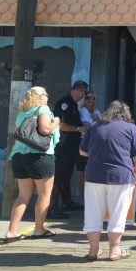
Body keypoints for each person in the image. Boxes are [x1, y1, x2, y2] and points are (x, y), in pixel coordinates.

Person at [79, 100, 136, 261]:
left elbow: (83, 152)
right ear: (126, 114)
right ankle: (114, 251)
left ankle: (93, 251)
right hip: (121, 176)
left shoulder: (94, 126)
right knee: (118, 214)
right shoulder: (131, 128)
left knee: (93, 214)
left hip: (94, 175)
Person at [4, 87, 60, 242]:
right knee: (44, 194)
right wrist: (56, 121)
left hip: (19, 156)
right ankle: (39, 229)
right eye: (45, 94)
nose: (47, 96)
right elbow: (45, 129)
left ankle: (12, 231)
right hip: (40, 157)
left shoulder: (23, 113)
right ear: (40, 97)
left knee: (23, 195)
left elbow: (18, 135)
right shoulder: (44, 109)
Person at [49, 80, 88, 219]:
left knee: (67, 173)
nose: (84, 95)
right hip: (64, 145)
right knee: (59, 175)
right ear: (79, 90)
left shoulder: (73, 104)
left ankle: (66, 202)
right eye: (84, 92)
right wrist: (79, 128)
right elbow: (61, 125)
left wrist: (82, 125)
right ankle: (51, 207)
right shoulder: (64, 103)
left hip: (71, 145)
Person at [78, 89, 102, 205]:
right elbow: (87, 126)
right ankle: (83, 199)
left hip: (96, 145)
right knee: (82, 171)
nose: (90, 100)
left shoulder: (97, 111)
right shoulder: (83, 111)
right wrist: (98, 121)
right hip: (85, 143)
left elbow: (103, 126)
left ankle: (92, 198)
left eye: (92, 98)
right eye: (87, 98)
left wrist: (98, 121)